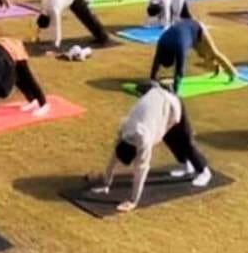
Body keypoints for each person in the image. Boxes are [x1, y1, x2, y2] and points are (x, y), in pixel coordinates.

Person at [90, 83, 212, 212]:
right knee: (169, 139)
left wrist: (133, 201)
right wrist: (106, 184)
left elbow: (141, 171)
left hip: (174, 105)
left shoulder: (143, 140)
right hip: (159, 110)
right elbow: (113, 159)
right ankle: (186, 164)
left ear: (136, 151)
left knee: (186, 141)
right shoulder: (124, 129)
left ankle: (204, 171)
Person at [149, 19, 236, 93]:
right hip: (187, 32)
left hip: (197, 28)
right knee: (203, 56)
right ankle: (217, 68)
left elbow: (180, 71)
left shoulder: (179, 48)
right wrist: (152, 78)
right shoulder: (162, 43)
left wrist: (175, 90)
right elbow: (157, 59)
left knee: (213, 53)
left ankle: (233, 74)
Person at [35, 0, 109, 48]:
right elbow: (40, 22)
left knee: (88, 18)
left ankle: (103, 38)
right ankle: (100, 36)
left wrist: (56, 44)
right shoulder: (43, 5)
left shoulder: (55, 10)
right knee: (86, 19)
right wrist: (38, 36)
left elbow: (57, 27)